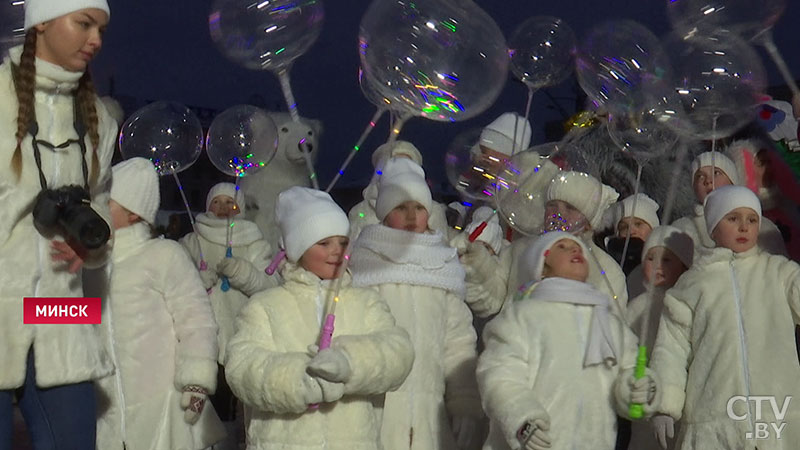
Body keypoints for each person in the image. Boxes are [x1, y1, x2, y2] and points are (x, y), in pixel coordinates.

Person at [0, 1, 118, 448]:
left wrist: (91, 246)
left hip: (61, 306)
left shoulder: (98, 120)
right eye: (84, 24)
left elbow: (102, 202)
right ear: (42, 22)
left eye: (102, 30)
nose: (96, 40)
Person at [224, 186, 414, 450]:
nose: (337, 251)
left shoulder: (366, 302)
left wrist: (349, 362)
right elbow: (242, 368)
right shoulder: (265, 306)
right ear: (297, 248)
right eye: (324, 243)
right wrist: (298, 380)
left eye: (343, 242)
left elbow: (398, 353)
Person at [643, 186, 800, 450]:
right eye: (733, 218)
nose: (743, 227)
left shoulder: (778, 272)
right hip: (714, 417)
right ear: (713, 227)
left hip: (776, 415)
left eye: (752, 219)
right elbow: (671, 348)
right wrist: (665, 405)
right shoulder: (693, 284)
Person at [350, 158, 482, 450]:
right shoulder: (364, 265)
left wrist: (464, 403)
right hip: (376, 409)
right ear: (384, 214)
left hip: (430, 416)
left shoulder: (442, 267)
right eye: (400, 207)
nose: (411, 215)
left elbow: (458, 343)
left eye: (419, 207)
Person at [94, 158, 225, 449]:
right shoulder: (92, 265)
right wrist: (24, 312)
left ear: (133, 214)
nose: (96, 207)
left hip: (163, 401)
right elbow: (81, 316)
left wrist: (196, 379)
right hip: (106, 407)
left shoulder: (164, 255)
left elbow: (196, 318)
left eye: (106, 201)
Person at [478, 232, 647, 450]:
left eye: (578, 247)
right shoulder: (523, 316)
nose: (575, 249)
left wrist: (638, 389)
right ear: (542, 265)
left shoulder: (609, 323)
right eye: (562, 247)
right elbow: (499, 375)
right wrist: (522, 420)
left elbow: (628, 374)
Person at [180, 182, 278, 447]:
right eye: (217, 202)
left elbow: (269, 286)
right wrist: (195, 280)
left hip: (243, 336)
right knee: (206, 408)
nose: (223, 209)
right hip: (203, 338)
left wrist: (243, 273)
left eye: (230, 203)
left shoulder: (254, 240)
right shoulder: (192, 240)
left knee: (245, 407)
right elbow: (175, 285)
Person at [624, 226, 693, 450]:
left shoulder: (686, 303)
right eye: (650, 258)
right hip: (646, 394)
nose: (657, 267)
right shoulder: (636, 308)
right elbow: (624, 347)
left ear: (683, 265)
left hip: (681, 396)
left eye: (667, 260)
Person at [672, 151, 786, 261]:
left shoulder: (763, 226)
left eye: (716, 173)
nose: (708, 181)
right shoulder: (681, 229)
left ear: (732, 179)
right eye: (700, 176)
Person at [349, 140, 449, 241]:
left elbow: (444, 247)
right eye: (394, 164)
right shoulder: (361, 212)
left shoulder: (434, 210)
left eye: (407, 164)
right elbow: (352, 250)